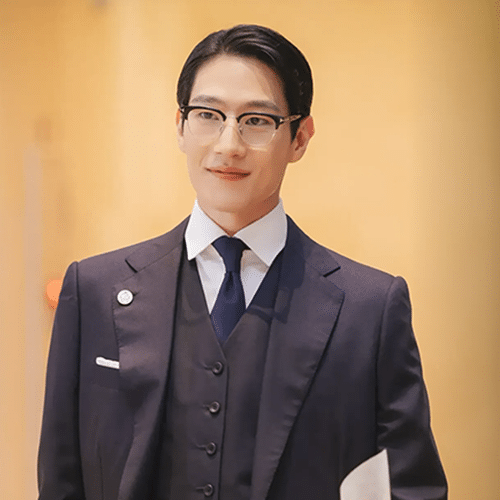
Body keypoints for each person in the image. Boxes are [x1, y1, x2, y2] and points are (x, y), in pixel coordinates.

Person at [38, 24, 447, 500]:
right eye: (208, 115)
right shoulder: (93, 289)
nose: (228, 144)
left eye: (256, 120)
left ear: (299, 138)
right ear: (180, 126)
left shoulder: (370, 309)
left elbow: (411, 489)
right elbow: (62, 481)